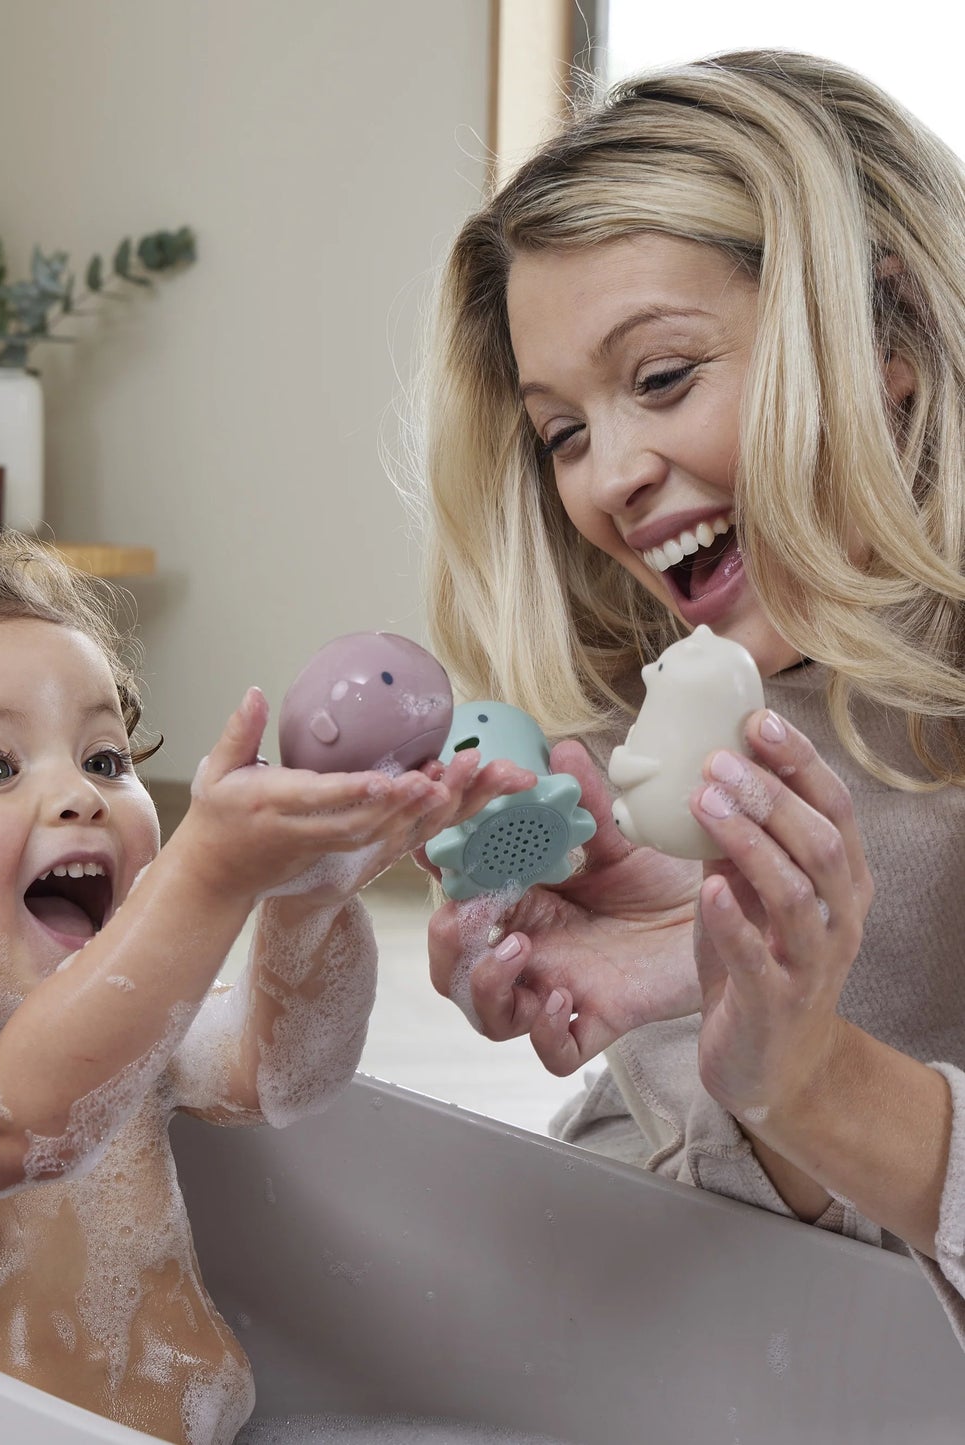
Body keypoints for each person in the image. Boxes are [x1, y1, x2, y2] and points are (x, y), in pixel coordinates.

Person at [0, 534, 526, 1444]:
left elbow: (282, 1072)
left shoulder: (128, 1042)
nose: (79, 795)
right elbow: (17, 1122)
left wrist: (310, 898)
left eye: (106, 759)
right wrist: (204, 876)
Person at [410, 49, 965, 1345]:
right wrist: (748, 1049)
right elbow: (758, 1285)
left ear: (886, 336)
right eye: (560, 432)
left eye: (659, 377)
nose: (606, 476)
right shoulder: (647, 749)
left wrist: (813, 1075)